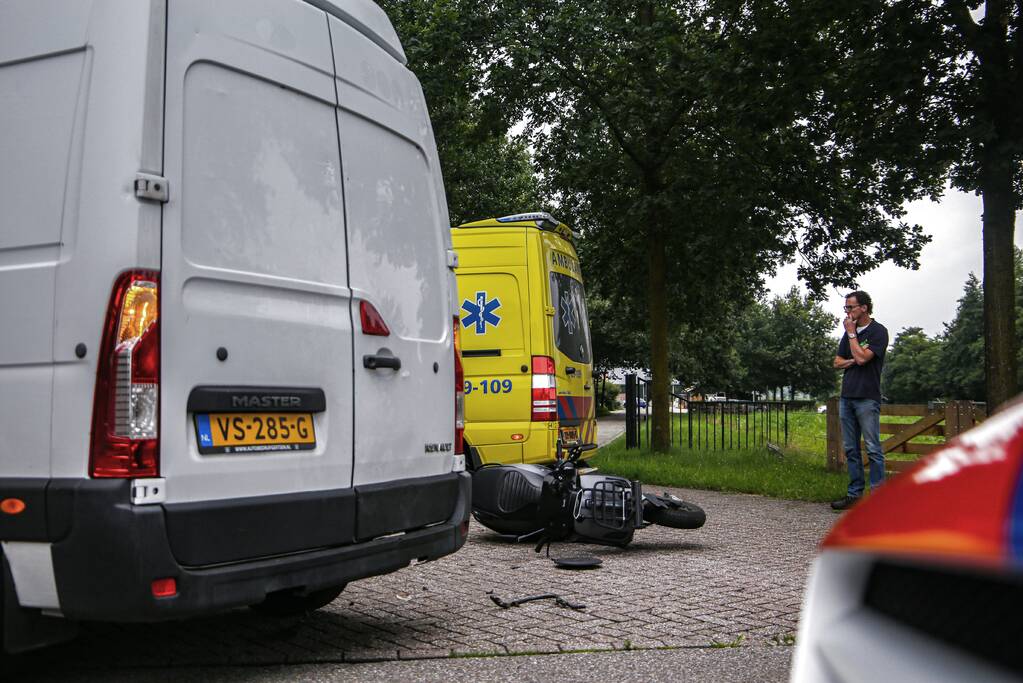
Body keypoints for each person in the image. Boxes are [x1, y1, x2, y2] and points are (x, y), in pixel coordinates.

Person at [831, 290, 889, 511]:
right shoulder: (848, 334)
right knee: (851, 449)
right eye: (845, 307)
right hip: (847, 396)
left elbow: (864, 359)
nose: (847, 311)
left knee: (873, 448)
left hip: (867, 396)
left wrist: (852, 336)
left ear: (864, 308)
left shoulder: (878, 331)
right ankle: (854, 494)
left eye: (850, 307)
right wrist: (854, 358)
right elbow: (837, 362)